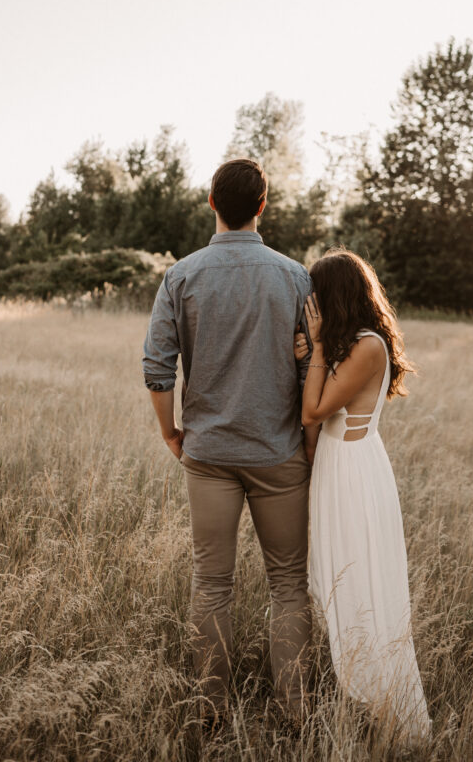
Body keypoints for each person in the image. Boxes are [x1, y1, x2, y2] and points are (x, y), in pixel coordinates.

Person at [142, 158, 313, 725]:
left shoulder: (181, 276)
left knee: (211, 583)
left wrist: (171, 432)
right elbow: (315, 364)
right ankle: (293, 710)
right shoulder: (295, 277)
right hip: (280, 452)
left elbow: (157, 368)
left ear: (210, 202)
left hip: (209, 455)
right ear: (262, 206)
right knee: (288, 585)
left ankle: (210, 708)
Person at [293, 248, 431, 743]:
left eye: (315, 297)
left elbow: (313, 412)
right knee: (336, 583)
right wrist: (312, 355)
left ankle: (390, 713)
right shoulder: (346, 344)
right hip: (333, 470)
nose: (309, 306)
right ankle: (361, 696)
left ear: (333, 298)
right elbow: (313, 430)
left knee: (362, 587)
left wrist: (319, 351)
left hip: (354, 475)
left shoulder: (367, 346)